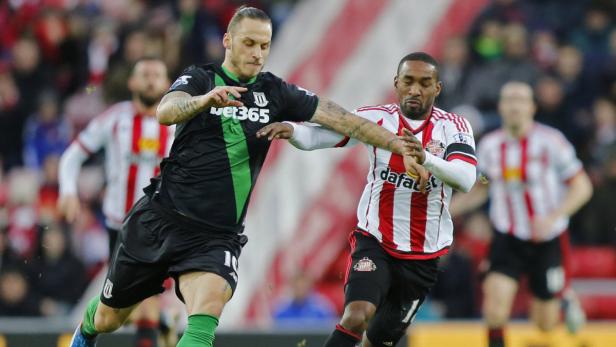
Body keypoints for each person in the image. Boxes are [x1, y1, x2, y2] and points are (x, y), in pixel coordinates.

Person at [68, 6, 422, 347]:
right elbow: (166, 110)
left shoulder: (275, 92)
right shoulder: (200, 78)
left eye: (264, 45)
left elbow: (343, 119)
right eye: (249, 43)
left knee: (204, 319)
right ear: (228, 41)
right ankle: (85, 333)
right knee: (108, 319)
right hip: (159, 220)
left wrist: (397, 145)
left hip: (215, 238)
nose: (258, 53)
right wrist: (205, 101)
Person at [259, 52, 478, 347]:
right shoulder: (375, 118)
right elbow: (321, 137)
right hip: (375, 241)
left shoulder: (454, 126)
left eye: (425, 83)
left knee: (378, 341)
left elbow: (465, 179)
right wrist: (293, 130)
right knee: (355, 316)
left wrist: (424, 158)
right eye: (409, 81)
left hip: (423, 255)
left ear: (437, 88)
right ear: (396, 83)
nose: (415, 89)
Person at [449, 81, 593, 347]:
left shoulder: (552, 142)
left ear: (532, 107)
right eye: (509, 99)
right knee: (494, 311)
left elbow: (582, 187)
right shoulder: (490, 147)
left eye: (521, 100)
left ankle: (565, 298)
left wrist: (553, 216)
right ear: (501, 107)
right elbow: (482, 188)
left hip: (548, 240)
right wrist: (445, 211)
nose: (514, 105)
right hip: (507, 238)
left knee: (545, 324)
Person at [59, 56, 174, 347]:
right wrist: (68, 190)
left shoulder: (178, 124)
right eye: (144, 74)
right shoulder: (114, 118)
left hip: (157, 228)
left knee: (146, 302)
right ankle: (161, 324)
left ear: (166, 84)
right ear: (132, 82)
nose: (150, 80)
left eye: (156, 75)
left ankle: (157, 322)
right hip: (119, 227)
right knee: (121, 311)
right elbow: (73, 155)